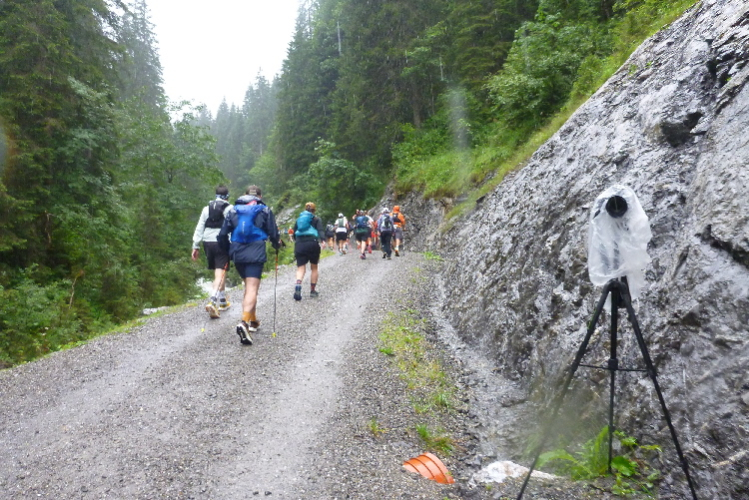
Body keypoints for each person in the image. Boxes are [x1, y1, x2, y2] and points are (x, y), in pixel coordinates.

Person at [218, 185, 280, 345]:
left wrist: (227, 251)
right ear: (260, 196)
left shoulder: (233, 210)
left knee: (248, 287)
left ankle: (253, 321)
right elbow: (273, 233)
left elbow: (222, 234)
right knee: (252, 288)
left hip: (237, 251)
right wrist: (277, 244)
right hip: (255, 250)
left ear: (244, 195)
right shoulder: (264, 210)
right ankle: (244, 322)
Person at [192, 185, 233, 318]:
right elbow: (232, 227)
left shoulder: (206, 209)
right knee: (220, 272)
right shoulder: (229, 208)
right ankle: (213, 301)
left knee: (218, 271)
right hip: (221, 242)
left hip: (207, 243)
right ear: (227, 197)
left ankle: (223, 301)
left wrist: (195, 246)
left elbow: (199, 227)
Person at [292, 202, 325, 301]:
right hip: (312, 243)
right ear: (314, 210)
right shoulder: (316, 219)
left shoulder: (299, 220)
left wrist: (297, 241)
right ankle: (313, 291)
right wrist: (323, 240)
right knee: (314, 267)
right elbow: (320, 230)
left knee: (300, 268)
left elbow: (294, 233)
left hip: (300, 244)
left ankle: (298, 284)